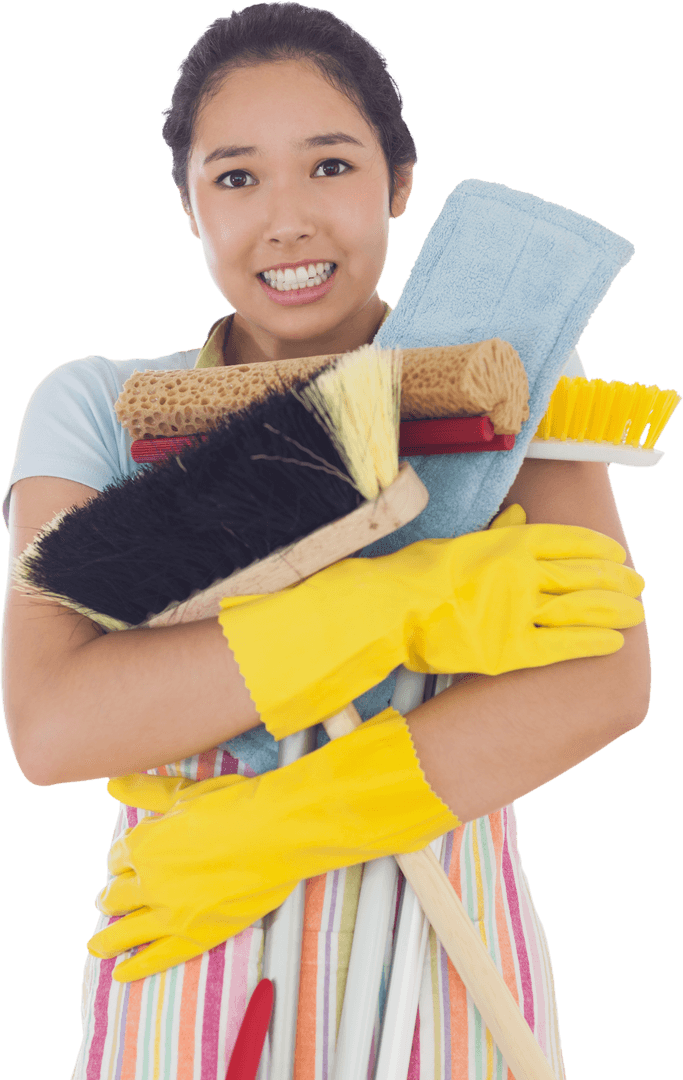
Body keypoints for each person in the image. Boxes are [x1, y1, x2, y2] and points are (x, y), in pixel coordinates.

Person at [1, 4, 650, 1078]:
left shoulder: (503, 377)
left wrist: (282, 824)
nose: (287, 221)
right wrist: (394, 602)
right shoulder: (101, 408)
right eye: (236, 178)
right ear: (188, 205)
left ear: (399, 182)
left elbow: (603, 681)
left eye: (331, 166)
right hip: (189, 965)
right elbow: (54, 725)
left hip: (439, 974)